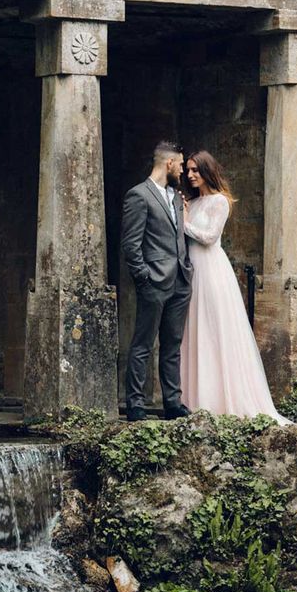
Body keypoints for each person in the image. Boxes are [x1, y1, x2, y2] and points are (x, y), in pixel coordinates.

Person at [180, 150, 290, 423]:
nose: (191, 175)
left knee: (214, 331)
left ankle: (221, 400)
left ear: (207, 170)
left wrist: (182, 223)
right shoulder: (191, 204)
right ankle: (193, 401)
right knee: (194, 331)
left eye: (196, 170)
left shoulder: (220, 201)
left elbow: (208, 237)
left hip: (212, 272)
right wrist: (182, 214)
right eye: (188, 171)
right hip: (192, 272)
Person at [121, 141, 193, 422]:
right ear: (169, 164)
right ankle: (135, 404)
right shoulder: (138, 195)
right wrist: (143, 277)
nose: (184, 171)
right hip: (154, 282)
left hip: (180, 281)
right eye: (181, 165)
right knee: (142, 344)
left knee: (172, 345)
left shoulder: (176, 197)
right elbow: (131, 244)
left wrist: (185, 269)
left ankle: (173, 403)